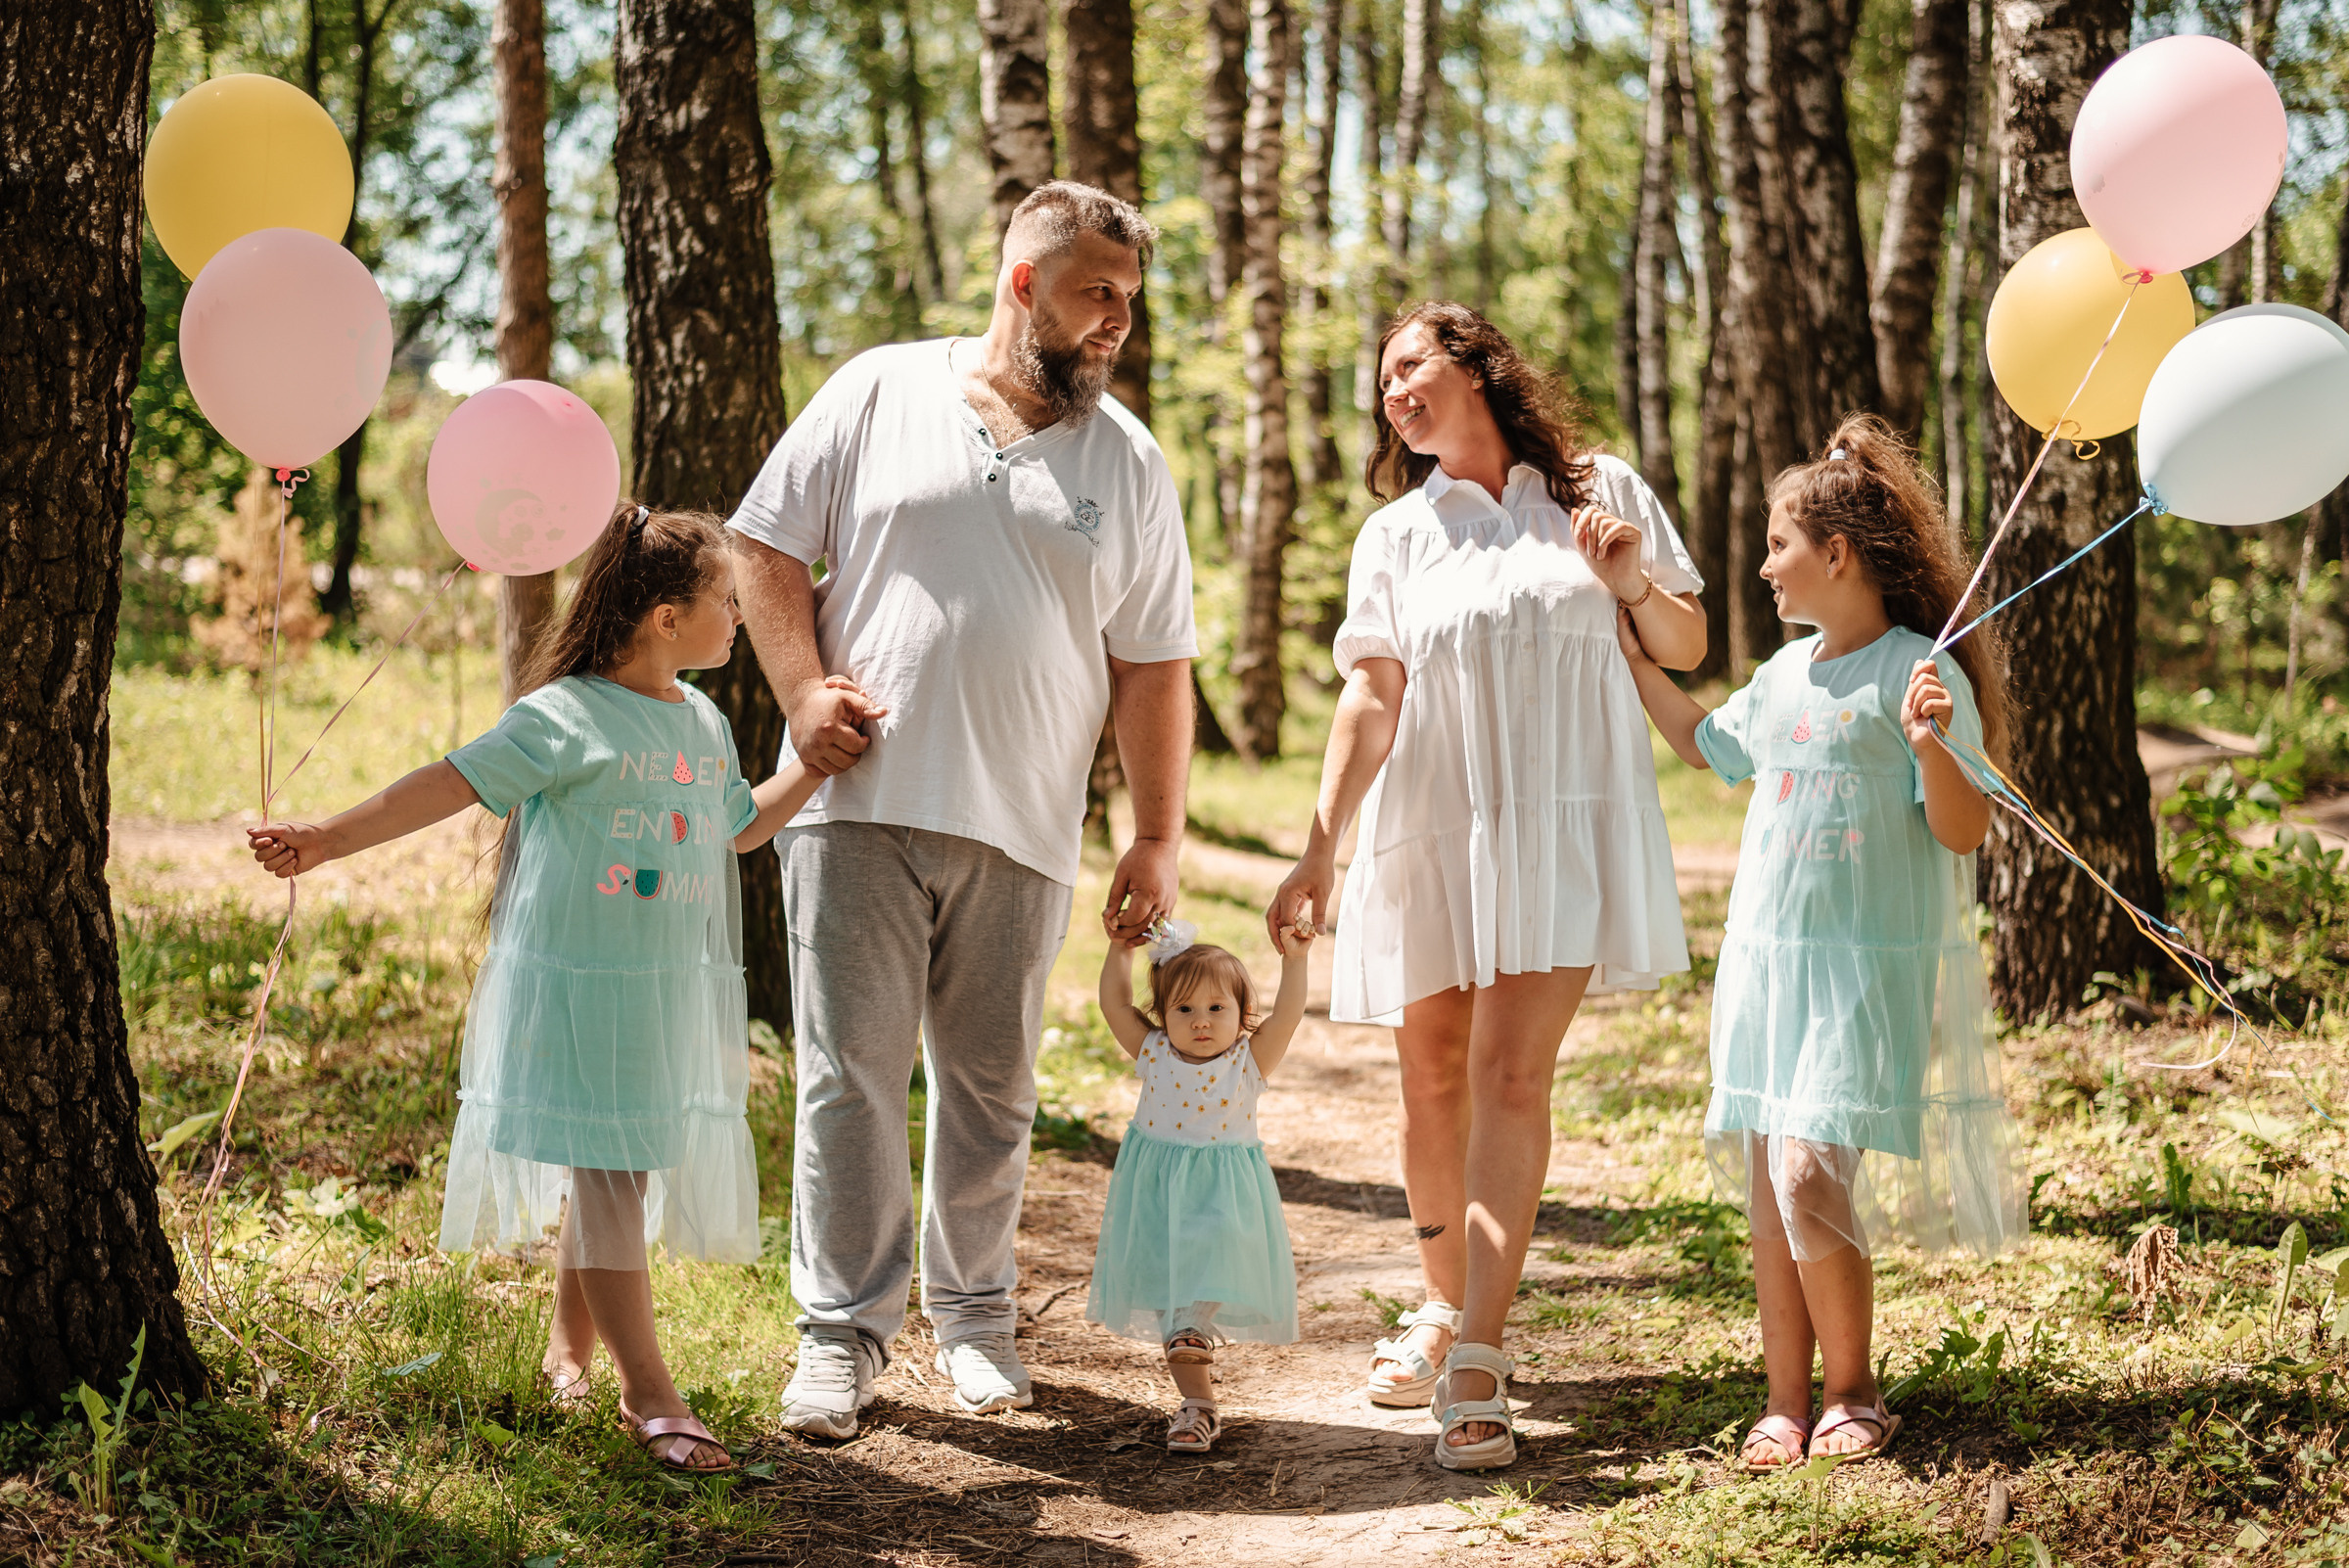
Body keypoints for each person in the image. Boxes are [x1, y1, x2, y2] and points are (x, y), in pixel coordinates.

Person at [248, 505, 872, 1472]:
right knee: (613, 1169)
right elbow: (450, 782)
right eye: (726, 604)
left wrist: (812, 769)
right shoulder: (565, 715)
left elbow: (739, 827)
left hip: (660, 987)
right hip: (581, 987)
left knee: (610, 1160)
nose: (738, 622)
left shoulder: (699, 718)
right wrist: (326, 838)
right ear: (666, 618)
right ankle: (648, 1392)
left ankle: (565, 1355)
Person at [727, 180, 1198, 1439]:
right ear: (1023, 283)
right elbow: (762, 545)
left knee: (992, 1091)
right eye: (1098, 293)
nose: (1117, 324)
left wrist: (1154, 832)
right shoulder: (881, 389)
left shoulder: (1129, 459)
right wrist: (800, 688)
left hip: (1029, 824)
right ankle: (841, 1340)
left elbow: (1155, 660)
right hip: (860, 806)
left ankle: (976, 1324)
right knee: (850, 1080)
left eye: (1130, 302)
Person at [1267, 300, 1707, 1471]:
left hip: (1561, 823)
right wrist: (1320, 843)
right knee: (1430, 1075)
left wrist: (1626, 581)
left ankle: (1479, 1357)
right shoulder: (1396, 534)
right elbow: (1372, 697)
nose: (1394, 392)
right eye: (1383, 382)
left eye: (1410, 365)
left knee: (1513, 1073)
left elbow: (1686, 642)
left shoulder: (1594, 484)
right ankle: (1439, 1299)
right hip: (1434, 823)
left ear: (1476, 365)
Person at [1616, 414, 2026, 1469]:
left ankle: (1855, 1387)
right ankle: (1785, 1401)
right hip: (1768, 964)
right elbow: (1707, 744)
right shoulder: (1785, 674)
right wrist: (1628, 654)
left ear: (1836, 554)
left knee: (1807, 1174)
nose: (1762, 566)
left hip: (1861, 971)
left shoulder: (1915, 674)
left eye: (1777, 544)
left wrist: (1933, 743)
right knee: (1769, 1189)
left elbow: (1963, 828)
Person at [1086, 918, 1311, 1453]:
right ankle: (1197, 1406)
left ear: (1242, 1016)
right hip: (1159, 1194)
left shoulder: (1249, 1061)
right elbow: (1116, 1005)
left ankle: (1194, 1325)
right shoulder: (1155, 1053)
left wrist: (1295, 961)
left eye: (1217, 1009)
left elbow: (1291, 1013)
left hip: (1222, 1193)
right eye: (1184, 1009)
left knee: (1209, 1261)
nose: (1201, 1022)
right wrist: (1120, 950)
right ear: (1164, 1018)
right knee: (1170, 1297)